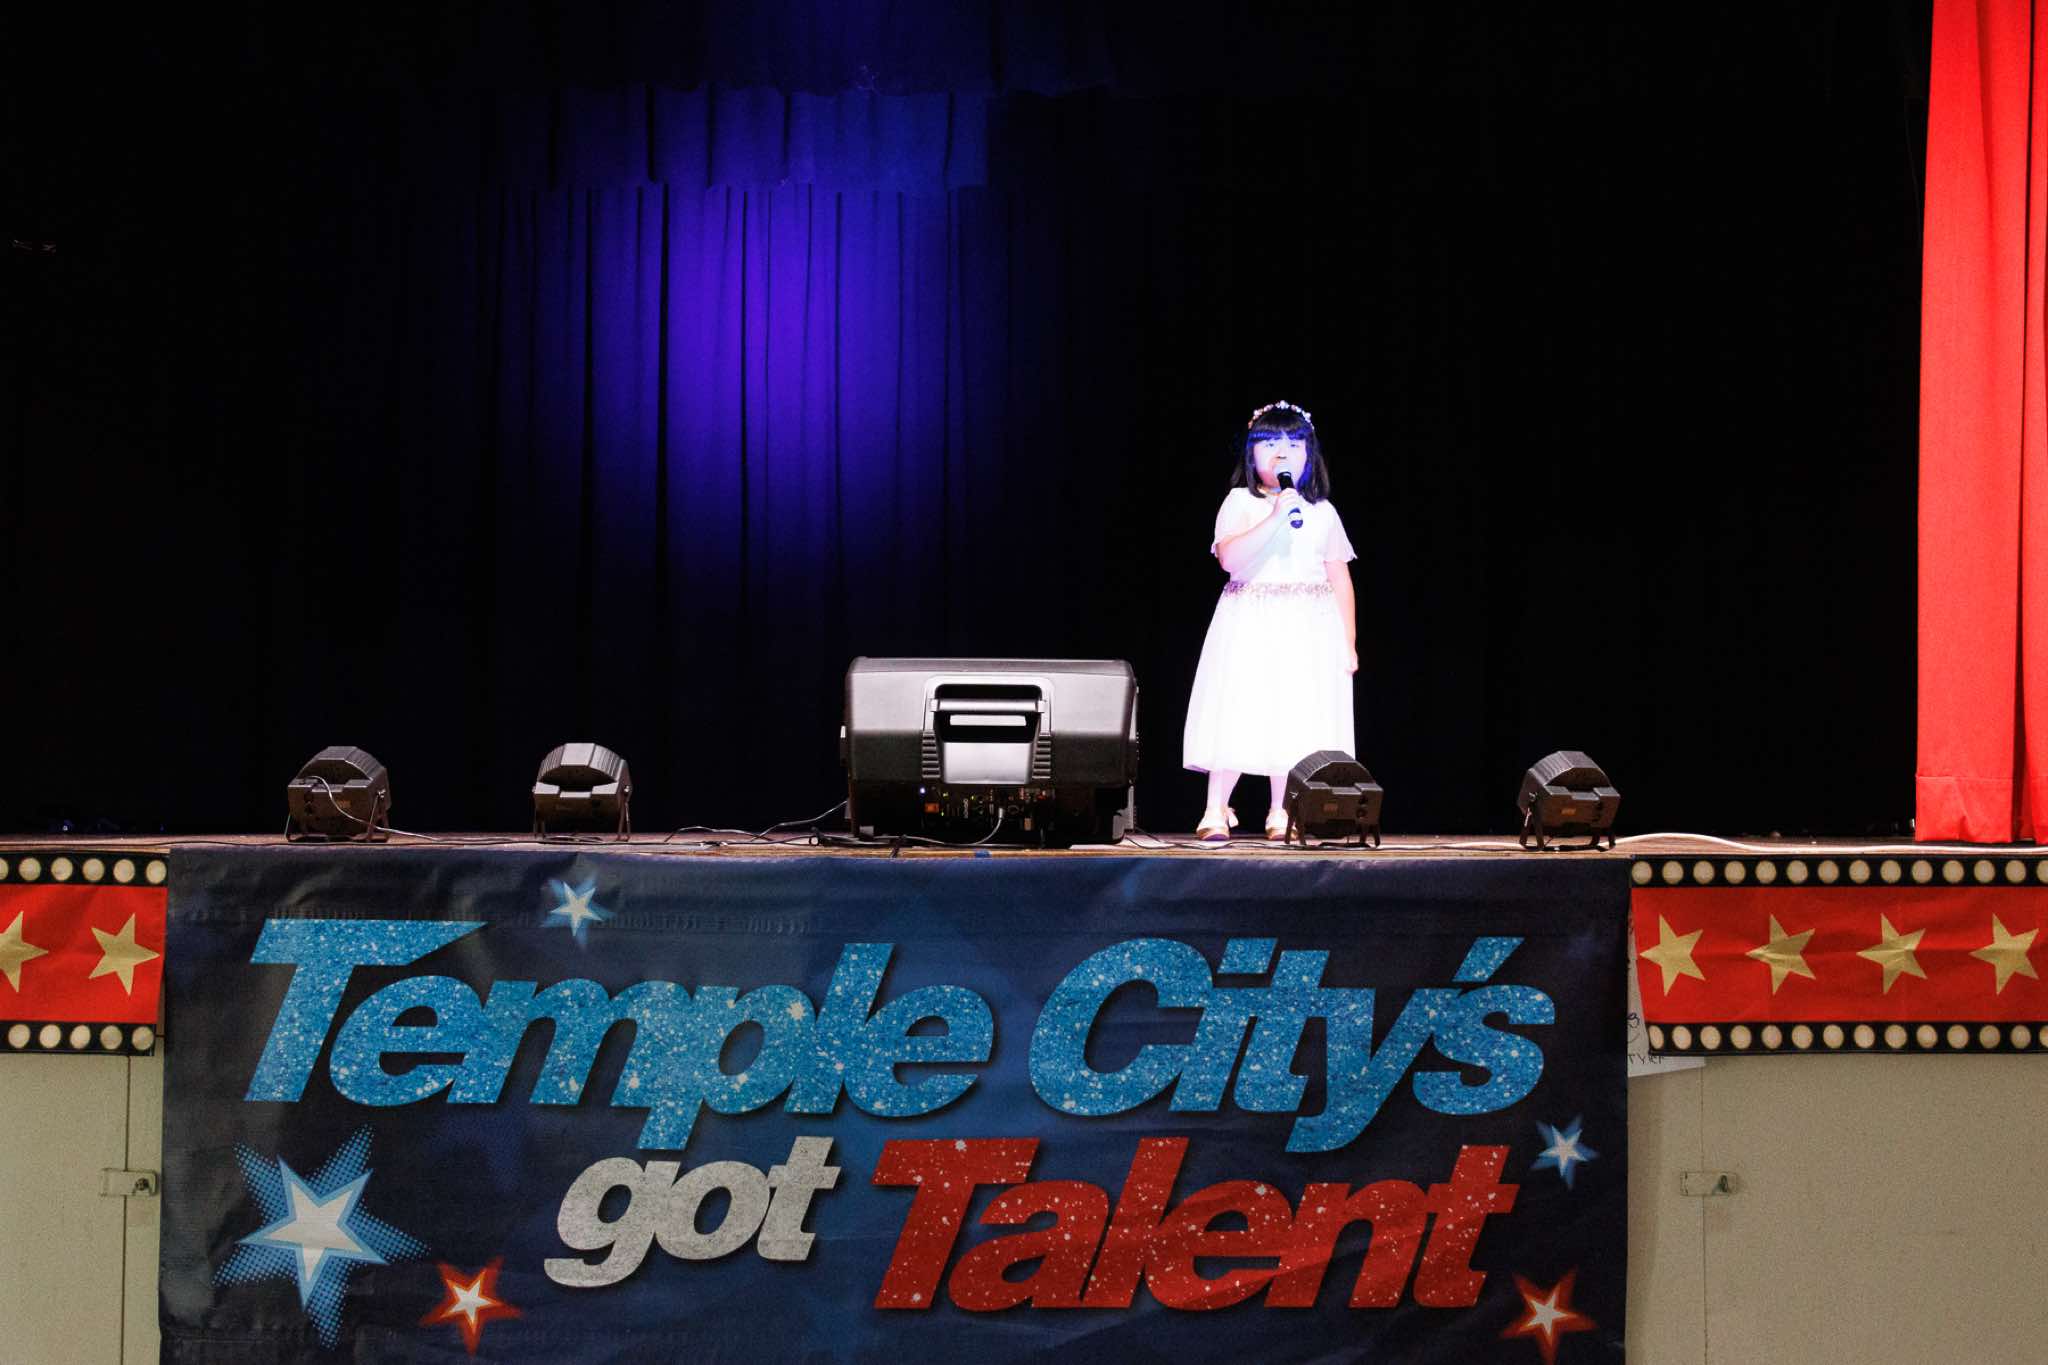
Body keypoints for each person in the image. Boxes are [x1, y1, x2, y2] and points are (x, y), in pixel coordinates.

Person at [1182, 400, 1358, 841]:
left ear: (1310, 455)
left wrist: (1348, 641)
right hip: (1250, 621)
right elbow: (1230, 559)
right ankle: (1216, 808)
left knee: (1293, 714)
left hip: (1309, 625)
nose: (1283, 453)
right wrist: (1276, 516)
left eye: (1294, 444)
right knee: (1239, 708)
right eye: (1271, 443)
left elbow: (1339, 577)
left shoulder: (1322, 511)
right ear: (1252, 453)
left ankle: (1282, 810)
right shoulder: (1239, 502)